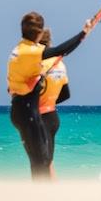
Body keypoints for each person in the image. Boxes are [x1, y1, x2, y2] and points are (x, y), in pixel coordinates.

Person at [7, 11, 93, 180]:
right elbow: (62, 50)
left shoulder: (19, 50)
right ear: (39, 33)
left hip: (21, 108)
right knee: (42, 162)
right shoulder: (31, 53)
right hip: (28, 112)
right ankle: (42, 197)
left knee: (39, 160)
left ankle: (40, 196)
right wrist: (84, 32)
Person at [38, 28, 72, 179]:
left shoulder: (39, 64)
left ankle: (44, 193)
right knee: (48, 159)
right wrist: (50, 100)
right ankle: (53, 192)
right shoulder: (60, 64)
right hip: (53, 116)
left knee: (39, 161)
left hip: (40, 116)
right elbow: (66, 94)